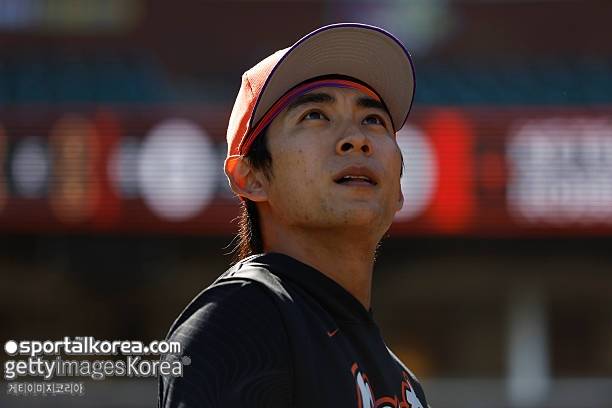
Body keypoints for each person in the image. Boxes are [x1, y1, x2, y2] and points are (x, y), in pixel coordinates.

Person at [158, 23, 429, 408]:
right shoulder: (242, 320)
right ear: (251, 177)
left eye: (373, 120)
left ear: (399, 190)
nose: (357, 138)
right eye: (315, 115)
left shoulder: (404, 380)